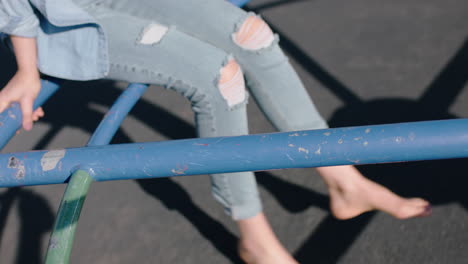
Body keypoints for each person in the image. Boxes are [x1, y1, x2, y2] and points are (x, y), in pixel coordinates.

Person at [0, 1, 431, 263]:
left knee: (253, 36)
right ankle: (254, 237)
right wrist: (25, 66)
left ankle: (344, 182)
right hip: (66, 14)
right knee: (218, 77)